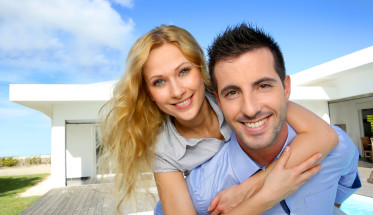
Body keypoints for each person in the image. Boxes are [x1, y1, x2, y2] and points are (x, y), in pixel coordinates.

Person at [99, 25, 338, 214]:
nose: (177, 91)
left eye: (183, 71)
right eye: (158, 82)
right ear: (148, 93)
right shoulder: (164, 148)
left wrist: (254, 185)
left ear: (200, 69)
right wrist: (268, 194)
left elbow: (324, 135)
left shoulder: (231, 91)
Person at [185, 23, 361, 214]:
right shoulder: (200, 190)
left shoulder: (338, 146)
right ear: (218, 100)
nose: (250, 109)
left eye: (263, 86)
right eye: (233, 92)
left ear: (286, 88)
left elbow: (346, 182)